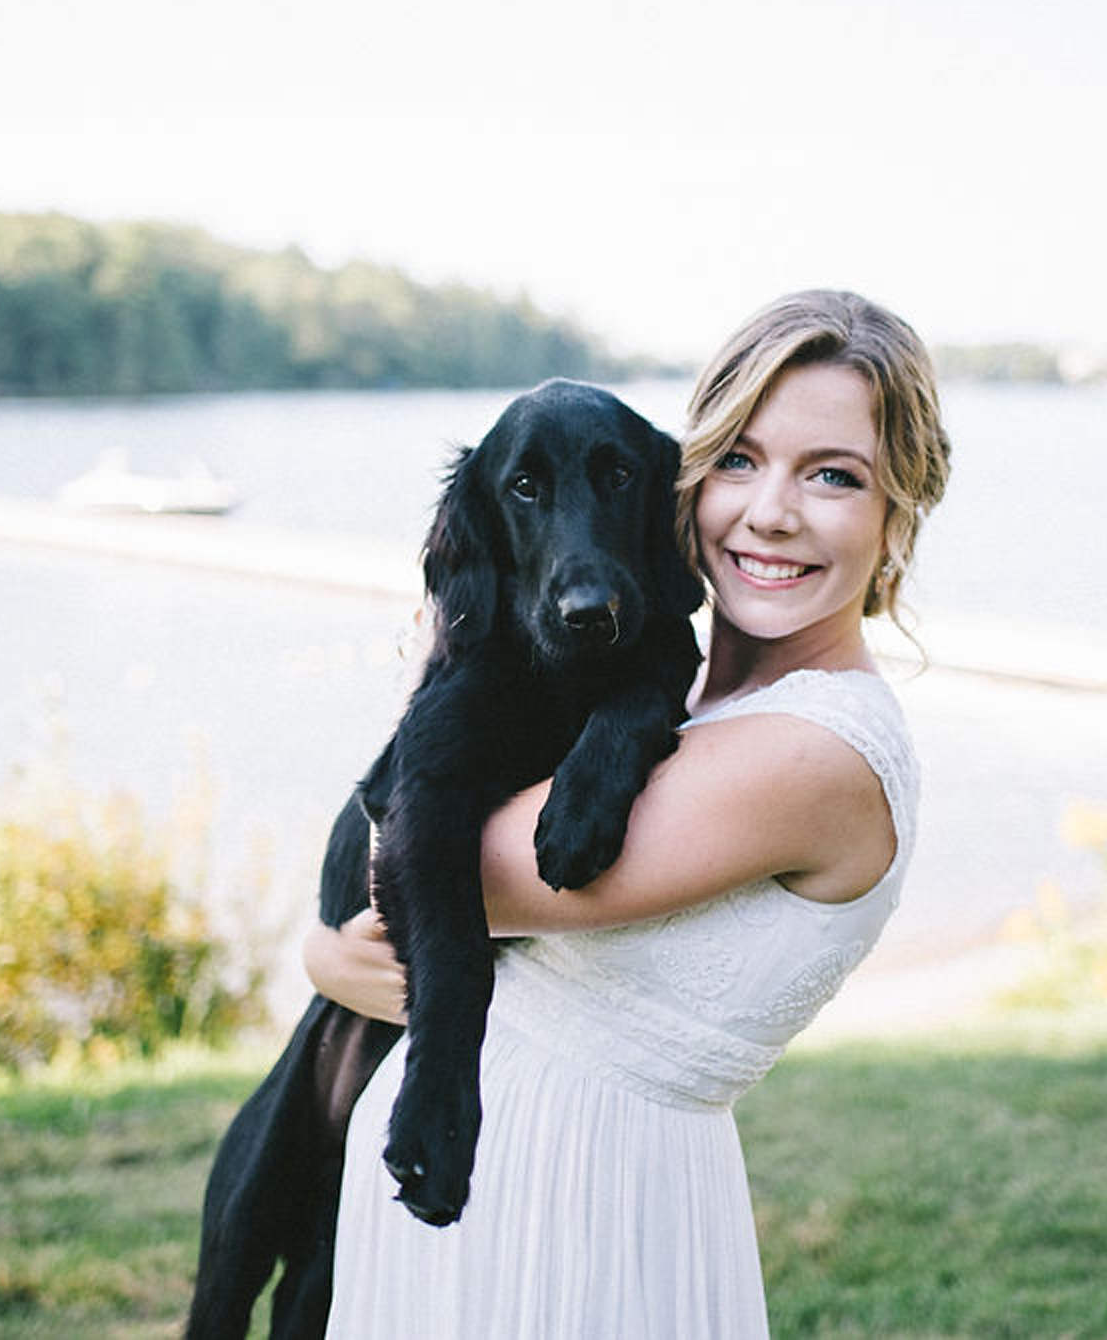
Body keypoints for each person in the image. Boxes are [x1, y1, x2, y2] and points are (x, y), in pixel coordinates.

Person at [308, 289, 951, 1338]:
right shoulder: (695, 704)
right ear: (683, 485)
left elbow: (448, 857)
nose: (771, 511)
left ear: (897, 516)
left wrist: (330, 958)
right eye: (739, 461)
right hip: (473, 1218)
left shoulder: (810, 752)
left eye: (833, 475)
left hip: (580, 1227)